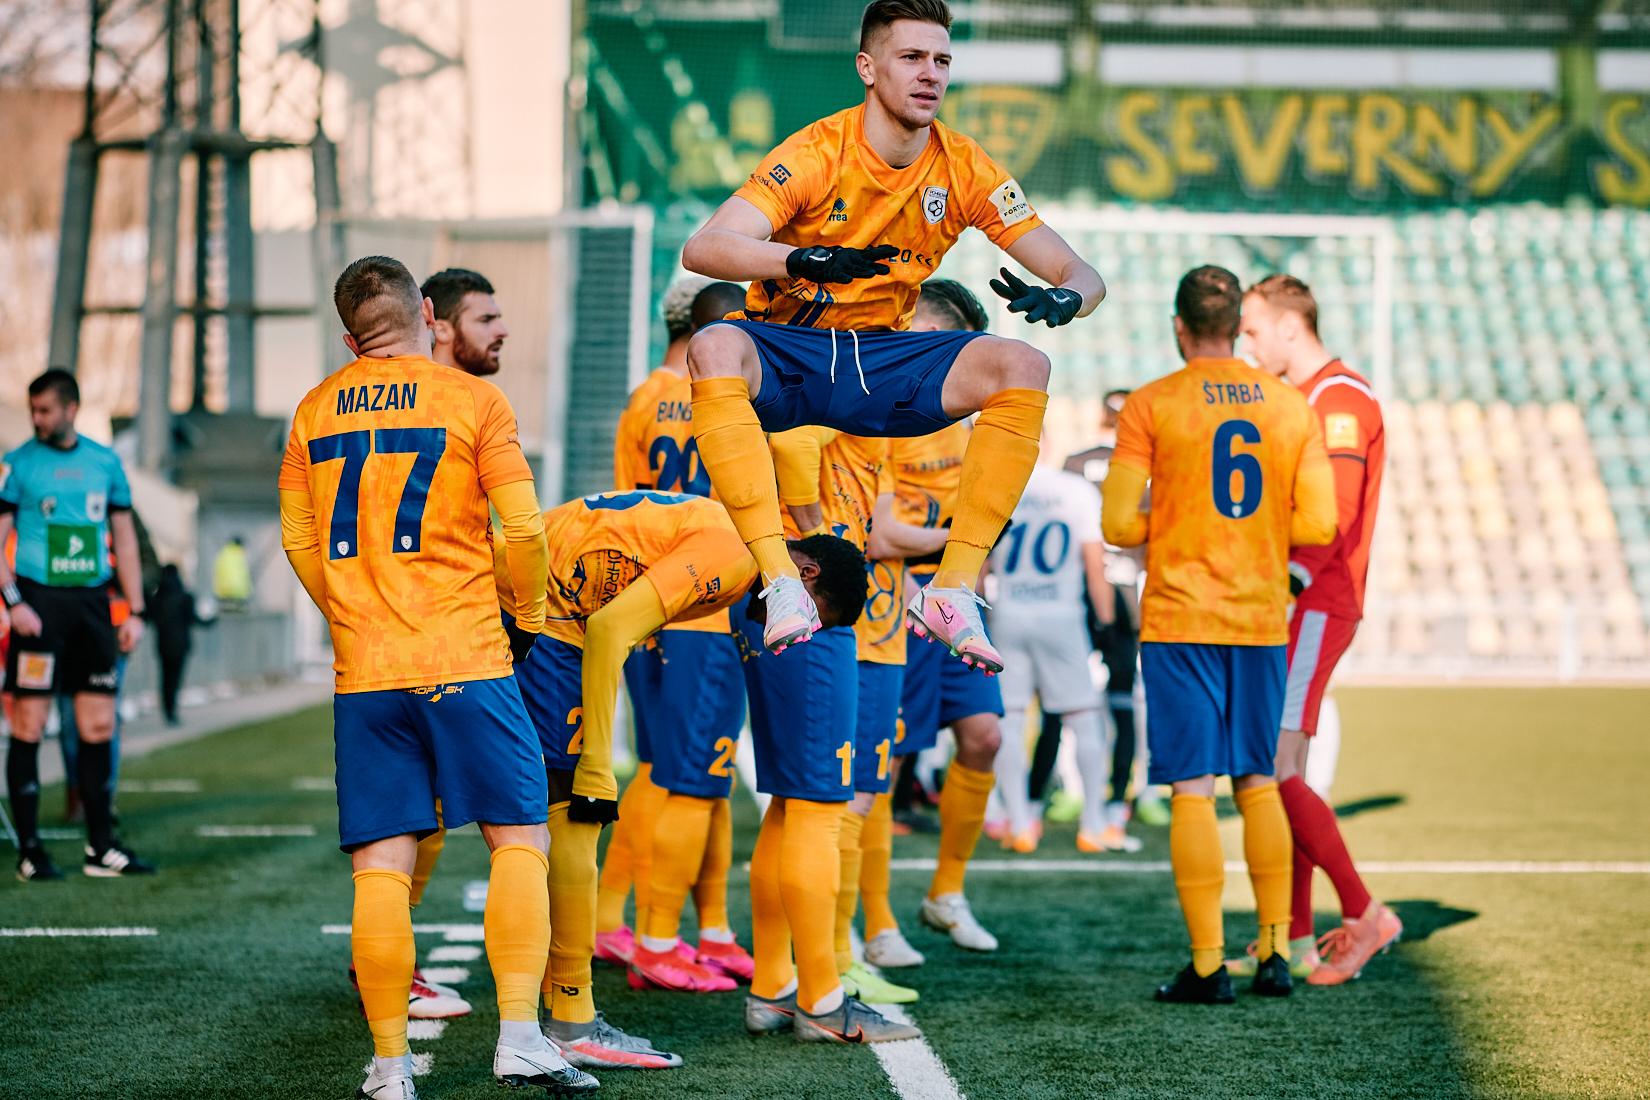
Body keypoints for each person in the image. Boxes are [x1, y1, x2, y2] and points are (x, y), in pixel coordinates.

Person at [681, 0, 1103, 671]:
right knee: (713, 346)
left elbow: (1085, 276)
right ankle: (781, 578)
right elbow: (704, 248)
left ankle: (953, 590)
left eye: (941, 60)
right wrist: (802, 259)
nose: (930, 73)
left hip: (880, 360)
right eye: (911, 57)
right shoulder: (816, 152)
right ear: (868, 68)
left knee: (1024, 363)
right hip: (792, 353)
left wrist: (1066, 296)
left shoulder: (964, 166)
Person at [279, 255, 594, 1098]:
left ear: (350, 338)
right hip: (466, 653)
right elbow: (523, 531)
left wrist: (350, 613)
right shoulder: (473, 399)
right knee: (519, 837)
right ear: (426, 312)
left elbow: (300, 542)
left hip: (367, 669)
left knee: (381, 865)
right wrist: (527, 617)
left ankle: (390, 1067)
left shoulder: (313, 409)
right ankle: (520, 1038)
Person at [496, 490, 871, 1047]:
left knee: (522, 812)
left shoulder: (737, 553)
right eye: (815, 613)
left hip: (536, 598)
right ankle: (573, 1015)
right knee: (570, 813)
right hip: (536, 608)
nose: (802, 630)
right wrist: (599, 762)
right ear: (807, 573)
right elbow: (607, 630)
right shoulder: (736, 556)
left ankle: (571, 997)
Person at [1101, 265, 1337, 1005]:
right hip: (1260, 617)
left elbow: (1117, 524)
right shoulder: (1290, 405)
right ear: (1237, 326)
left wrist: (1177, 514)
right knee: (1258, 782)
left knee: (1193, 791)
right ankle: (1275, 952)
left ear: (1179, 326)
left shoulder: (1151, 403)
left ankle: (1207, 964)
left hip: (1181, 618)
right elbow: (1320, 523)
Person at [1237, 273, 1403, 985]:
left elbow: (1334, 509)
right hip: (1303, 600)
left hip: (1315, 601)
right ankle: (1296, 937)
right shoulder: (1310, 397)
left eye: (1251, 330)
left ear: (1288, 326)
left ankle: (1366, 914)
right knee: (1286, 774)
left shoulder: (1340, 399)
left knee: (1275, 769)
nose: (1247, 345)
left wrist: (1291, 580)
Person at [597, 278, 759, 993]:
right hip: (708, 606)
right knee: (694, 780)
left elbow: (624, 508)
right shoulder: (731, 397)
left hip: (647, 606)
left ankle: (630, 921)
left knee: (663, 772)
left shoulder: (642, 399)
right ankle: (658, 938)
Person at [736, 431, 918, 1045]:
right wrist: (820, 540)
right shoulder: (836, 386)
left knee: (792, 804)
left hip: (789, 591)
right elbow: (792, 441)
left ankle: (773, 987)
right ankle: (822, 1000)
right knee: (817, 806)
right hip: (806, 598)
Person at [772, 422, 947, 1007]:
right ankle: (833, 961)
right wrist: (816, 538)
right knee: (841, 803)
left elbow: (883, 532)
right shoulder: (839, 418)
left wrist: (949, 543)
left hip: (883, 636)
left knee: (856, 798)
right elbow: (794, 447)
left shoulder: (879, 437)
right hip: (858, 638)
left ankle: (831, 958)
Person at [881, 280, 1005, 960]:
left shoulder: (962, 421)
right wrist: (954, 546)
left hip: (954, 600)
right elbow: (878, 534)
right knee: (889, 761)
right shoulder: (877, 413)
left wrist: (972, 571)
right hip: (899, 600)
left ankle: (946, 893)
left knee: (984, 737)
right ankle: (872, 921)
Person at [2, 368, 152, 881]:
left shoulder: (105, 463)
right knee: (29, 725)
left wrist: (134, 610)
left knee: (98, 726)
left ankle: (101, 848)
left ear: (71, 409)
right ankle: (30, 852)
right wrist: (14, 602)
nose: (37, 419)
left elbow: (124, 539)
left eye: (45, 410)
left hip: (92, 609)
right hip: (39, 609)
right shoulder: (19, 464)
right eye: (33, 410)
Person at [987, 446, 1113, 854]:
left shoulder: (998, 487)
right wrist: (1107, 621)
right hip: (1061, 615)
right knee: (1084, 718)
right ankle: (1093, 824)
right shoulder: (1076, 490)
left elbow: (981, 562)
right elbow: (1094, 563)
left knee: (1011, 718)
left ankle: (1020, 822)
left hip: (1009, 613)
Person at [1056, 388, 1160, 848]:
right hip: (1132, 593)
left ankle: (1074, 789)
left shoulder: (1076, 464)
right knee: (1133, 699)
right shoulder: (1149, 464)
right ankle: (1138, 792)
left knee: (1074, 697)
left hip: (1083, 592)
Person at [424, 267, 510, 377]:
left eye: (498, 319)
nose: (503, 332)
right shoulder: (408, 385)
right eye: (486, 320)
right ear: (442, 331)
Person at [148, 564, 205, 725]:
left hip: (163, 645)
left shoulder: (157, 599)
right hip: (180, 645)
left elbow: (150, 617)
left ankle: (168, 709)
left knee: (165, 678)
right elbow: (193, 619)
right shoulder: (185, 597)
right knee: (175, 678)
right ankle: (172, 710)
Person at [212, 535, 252, 611]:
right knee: (238, 615)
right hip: (238, 594)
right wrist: (248, 592)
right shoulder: (239, 555)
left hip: (223, 594)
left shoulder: (223, 554)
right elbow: (243, 576)